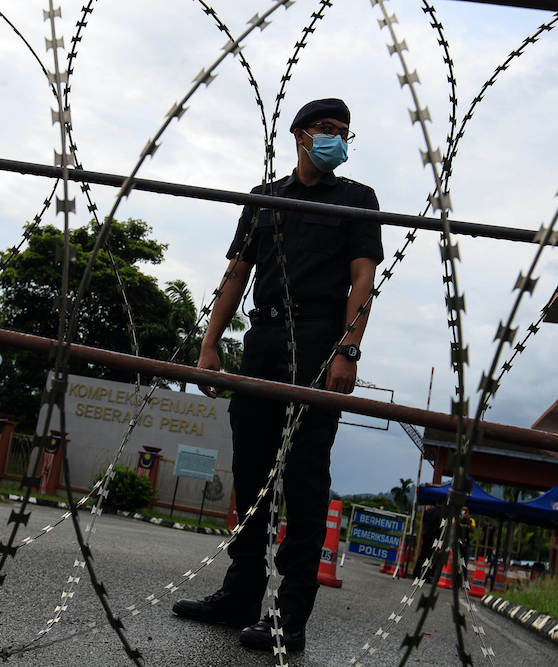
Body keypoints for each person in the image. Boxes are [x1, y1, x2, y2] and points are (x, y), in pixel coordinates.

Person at [172, 98, 383, 653]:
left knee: (305, 478)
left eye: (344, 132)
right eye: (326, 129)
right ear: (299, 135)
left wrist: (348, 349)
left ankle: (290, 616)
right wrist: (210, 344)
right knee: (251, 469)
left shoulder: (356, 200)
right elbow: (236, 274)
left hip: (318, 341)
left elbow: (363, 281)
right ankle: (241, 596)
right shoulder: (265, 198)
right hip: (262, 340)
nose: (336, 138)